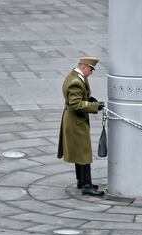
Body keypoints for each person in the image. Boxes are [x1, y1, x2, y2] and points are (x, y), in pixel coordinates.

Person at [57, 57, 105, 196]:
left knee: (79, 152)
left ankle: (81, 181)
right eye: (91, 69)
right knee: (84, 153)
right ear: (84, 67)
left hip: (74, 121)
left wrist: (90, 100)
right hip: (75, 122)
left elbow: (78, 98)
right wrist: (95, 106)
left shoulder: (75, 76)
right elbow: (75, 104)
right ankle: (87, 186)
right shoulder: (76, 82)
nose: (91, 72)